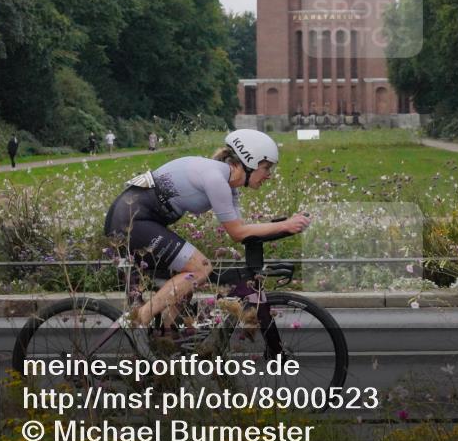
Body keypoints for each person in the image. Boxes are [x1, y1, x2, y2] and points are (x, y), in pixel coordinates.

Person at [104, 129, 309, 327]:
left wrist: (283, 227)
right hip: (130, 220)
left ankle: (164, 341)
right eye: (266, 168)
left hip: (138, 219)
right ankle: (138, 320)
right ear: (250, 162)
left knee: (185, 287)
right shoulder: (216, 179)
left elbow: (243, 230)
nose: (269, 175)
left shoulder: (228, 185)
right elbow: (237, 233)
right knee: (200, 268)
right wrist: (285, 225)